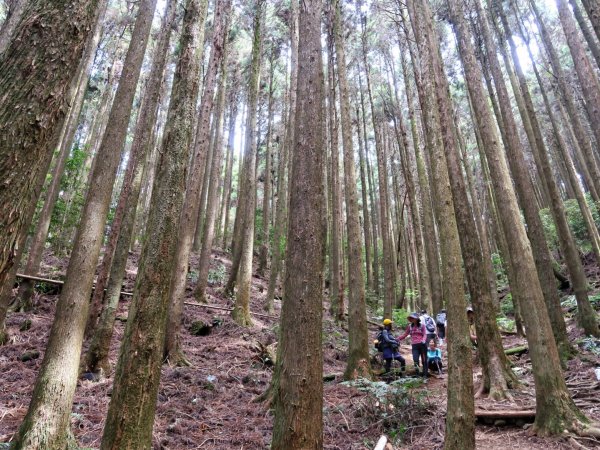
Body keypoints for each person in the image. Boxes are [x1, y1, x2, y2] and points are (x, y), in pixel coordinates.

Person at [398, 312, 428, 378]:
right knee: (415, 360)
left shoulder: (422, 326)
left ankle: (425, 374)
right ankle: (417, 374)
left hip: (422, 345)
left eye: (413, 318)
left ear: (417, 319)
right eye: (411, 318)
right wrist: (398, 339)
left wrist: (423, 340)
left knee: (424, 360)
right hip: (414, 345)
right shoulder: (409, 327)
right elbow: (405, 334)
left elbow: (425, 334)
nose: (412, 319)